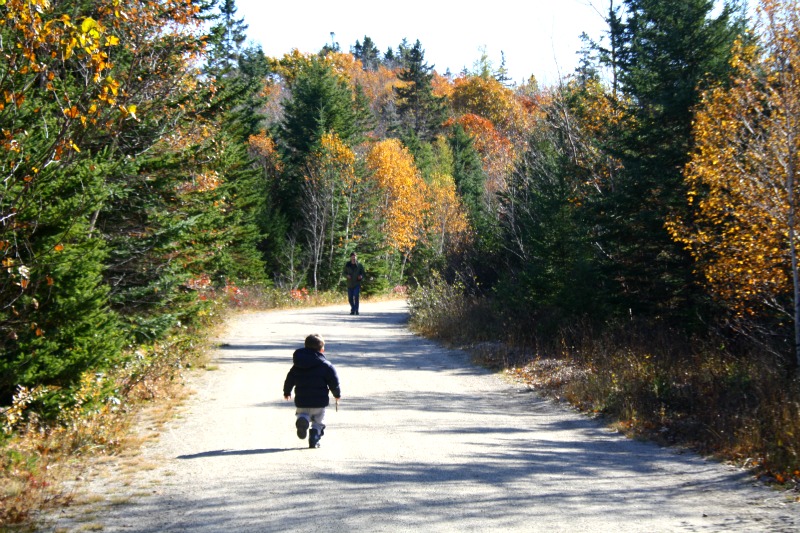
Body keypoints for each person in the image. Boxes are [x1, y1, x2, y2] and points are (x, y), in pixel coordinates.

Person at [283, 334, 341, 448]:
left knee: (302, 414)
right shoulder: (326, 366)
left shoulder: (297, 365)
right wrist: (337, 394)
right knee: (318, 422)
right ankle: (314, 436)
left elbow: (290, 379)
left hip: (302, 400)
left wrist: (287, 392)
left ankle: (302, 419)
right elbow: (334, 382)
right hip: (319, 402)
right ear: (322, 349)